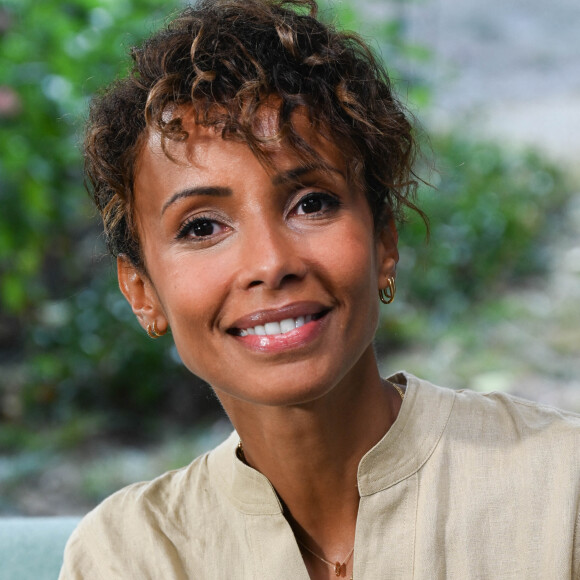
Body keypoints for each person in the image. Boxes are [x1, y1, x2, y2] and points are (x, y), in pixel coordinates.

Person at [60, 0, 580, 578]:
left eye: (313, 203)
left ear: (384, 240)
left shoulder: (562, 493)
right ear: (142, 292)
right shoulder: (128, 556)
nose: (271, 262)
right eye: (202, 226)